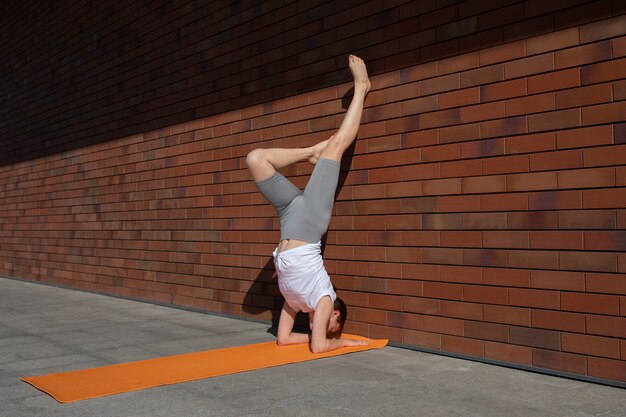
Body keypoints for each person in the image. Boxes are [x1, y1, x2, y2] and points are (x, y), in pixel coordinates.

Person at [246, 55, 371, 353]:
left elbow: (284, 339)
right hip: (311, 221)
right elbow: (318, 348)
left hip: (289, 220)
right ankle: (362, 86)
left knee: (255, 159)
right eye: (331, 328)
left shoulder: (296, 302)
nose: (324, 329)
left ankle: (310, 154)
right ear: (335, 315)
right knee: (338, 144)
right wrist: (340, 341)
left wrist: (322, 336)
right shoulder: (323, 299)